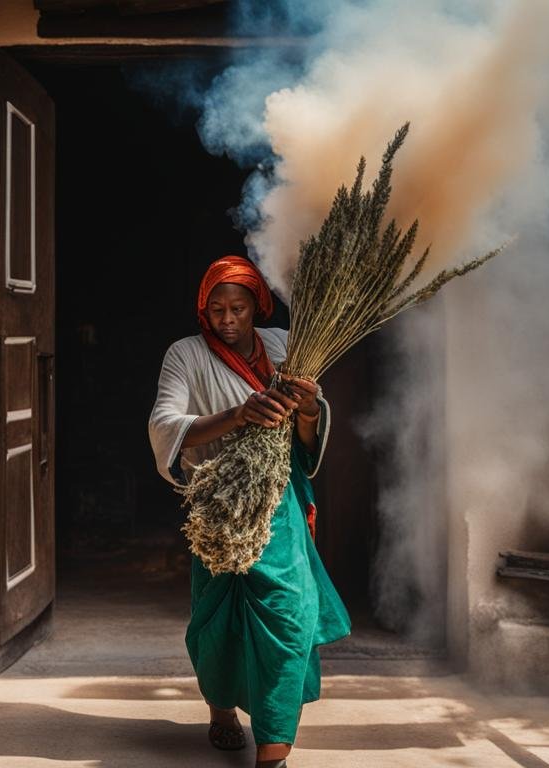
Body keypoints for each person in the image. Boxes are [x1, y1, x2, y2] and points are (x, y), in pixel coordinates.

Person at [148, 255, 351, 768]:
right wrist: (237, 414)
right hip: (218, 504)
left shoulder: (286, 346)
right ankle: (221, 713)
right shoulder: (186, 354)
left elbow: (306, 441)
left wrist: (307, 409)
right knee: (217, 620)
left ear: (256, 306)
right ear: (203, 310)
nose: (227, 318)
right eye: (216, 308)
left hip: (278, 507)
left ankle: (273, 750)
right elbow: (166, 423)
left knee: (288, 615)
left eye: (238, 307)